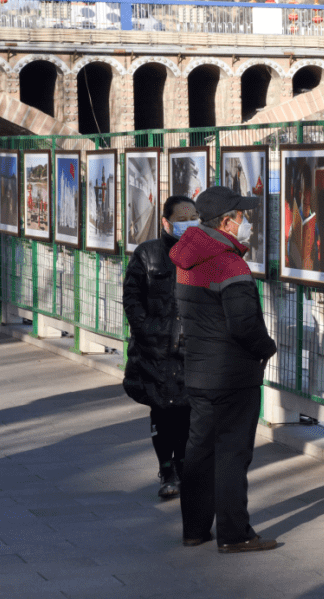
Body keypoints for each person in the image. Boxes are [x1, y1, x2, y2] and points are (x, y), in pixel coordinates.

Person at [170, 186, 279, 553]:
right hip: (232, 375)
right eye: (241, 215)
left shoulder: (188, 257)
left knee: (199, 451)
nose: (246, 221)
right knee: (232, 454)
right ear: (227, 222)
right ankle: (235, 534)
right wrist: (268, 348)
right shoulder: (229, 263)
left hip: (199, 371)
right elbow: (244, 325)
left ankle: (195, 530)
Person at [122, 195, 199, 500]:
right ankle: (167, 469)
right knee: (162, 412)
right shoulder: (147, 255)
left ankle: (182, 466)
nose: (187, 225)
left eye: (192, 219)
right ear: (165, 222)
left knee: (186, 413)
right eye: (181, 221)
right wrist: (151, 332)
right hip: (154, 351)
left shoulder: (200, 255)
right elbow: (132, 300)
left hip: (189, 350)